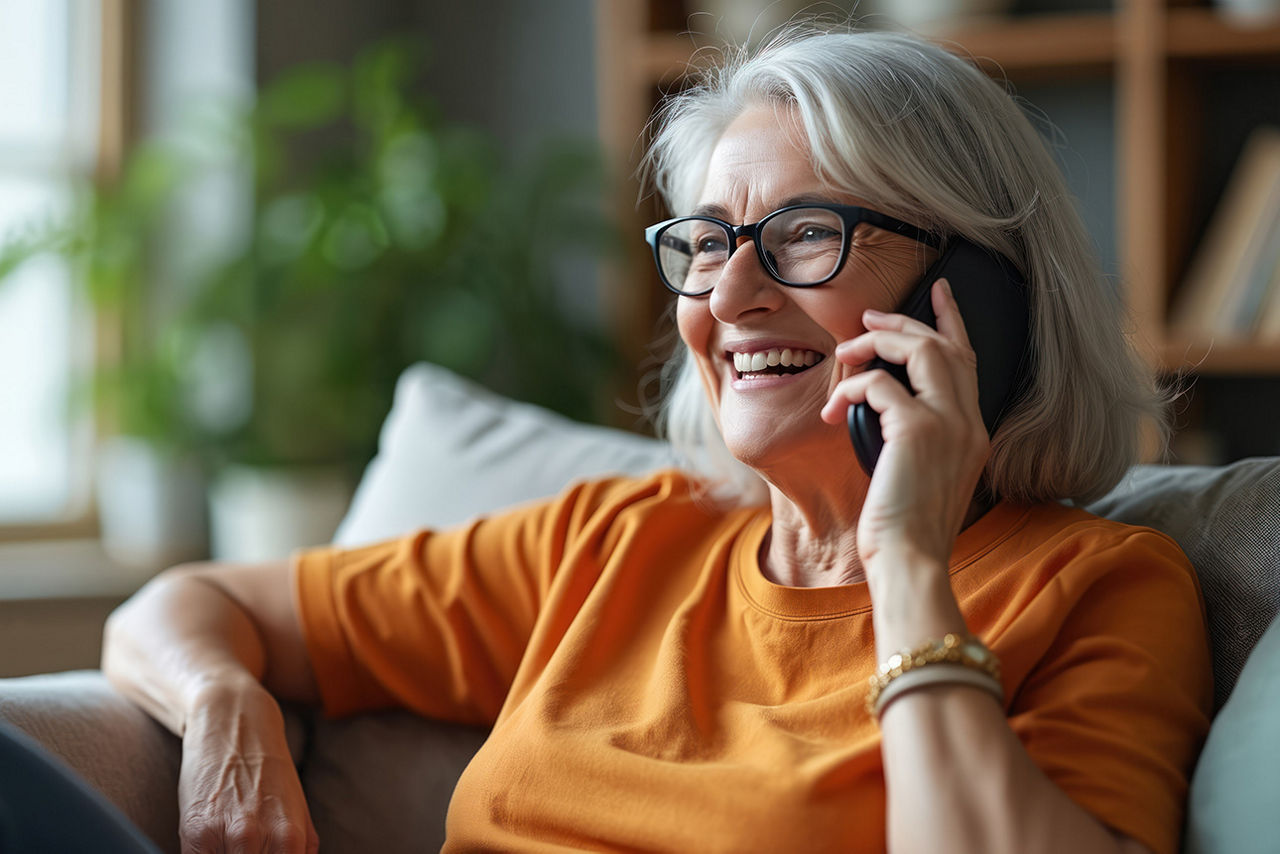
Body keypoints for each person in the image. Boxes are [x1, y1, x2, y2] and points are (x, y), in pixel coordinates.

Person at [98, 24, 1211, 854]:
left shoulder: (1094, 587)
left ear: (974, 294)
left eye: (803, 234)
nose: (727, 294)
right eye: (708, 241)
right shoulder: (615, 541)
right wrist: (225, 715)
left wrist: (907, 561)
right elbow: (186, 606)